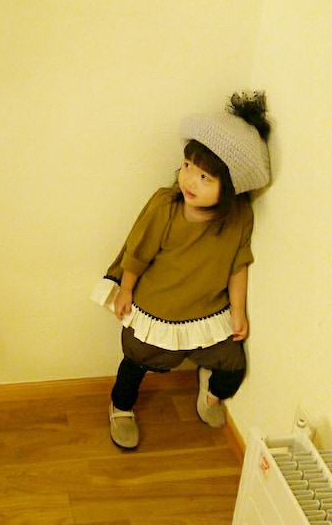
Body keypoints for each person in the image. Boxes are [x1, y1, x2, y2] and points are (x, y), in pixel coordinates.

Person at [91, 92, 271, 450]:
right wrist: (126, 289)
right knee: (137, 361)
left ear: (230, 188)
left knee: (233, 366)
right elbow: (138, 251)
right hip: (158, 308)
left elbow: (238, 265)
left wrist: (238, 312)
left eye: (205, 177)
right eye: (187, 165)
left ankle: (210, 391)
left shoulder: (238, 217)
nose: (189, 180)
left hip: (208, 310)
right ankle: (121, 407)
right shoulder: (167, 206)